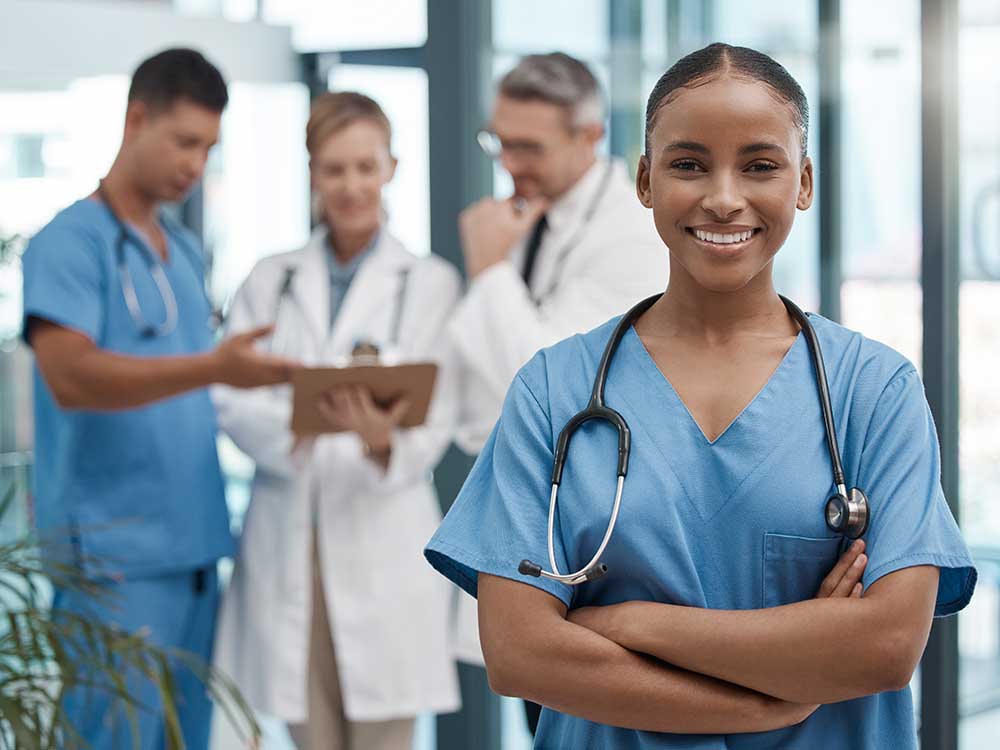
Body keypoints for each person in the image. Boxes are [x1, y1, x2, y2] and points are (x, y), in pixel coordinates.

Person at [425, 43, 977, 749]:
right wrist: (768, 696)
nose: (723, 195)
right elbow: (520, 653)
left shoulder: (875, 390)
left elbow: (888, 645)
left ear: (803, 182)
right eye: (688, 164)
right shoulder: (552, 388)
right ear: (646, 180)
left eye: (760, 165)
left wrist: (630, 622)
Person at [20, 48, 295, 750]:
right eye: (184, 141)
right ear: (135, 118)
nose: (195, 164)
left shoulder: (181, 250)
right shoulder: (67, 244)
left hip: (195, 554)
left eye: (207, 148)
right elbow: (71, 377)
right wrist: (214, 367)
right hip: (112, 564)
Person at [212, 92, 461, 750]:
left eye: (364, 167)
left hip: (382, 538)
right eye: (334, 169)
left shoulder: (428, 283)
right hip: (289, 541)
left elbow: (441, 410)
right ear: (313, 172)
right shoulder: (271, 280)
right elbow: (233, 399)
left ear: (392, 167)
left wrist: (386, 443)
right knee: (307, 735)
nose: (351, 186)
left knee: (384, 736)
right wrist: (295, 427)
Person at [448, 52, 668, 731]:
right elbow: (479, 379)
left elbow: (553, 386)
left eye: (528, 146)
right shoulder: (528, 218)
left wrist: (487, 272)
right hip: (527, 514)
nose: (510, 162)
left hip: (589, 530)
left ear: (590, 136)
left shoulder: (629, 232)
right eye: (500, 141)